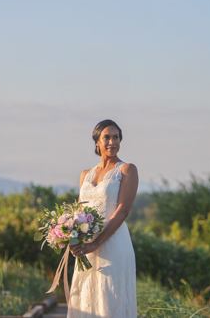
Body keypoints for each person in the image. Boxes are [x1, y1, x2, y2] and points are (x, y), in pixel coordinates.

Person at [68, 119, 139, 318]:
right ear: (97, 141)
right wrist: (72, 238)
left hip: (114, 243)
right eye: (106, 137)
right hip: (87, 246)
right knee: (86, 299)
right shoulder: (85, 175)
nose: (112, 142)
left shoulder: (127, 170)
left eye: (116, 137)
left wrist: (97, 243)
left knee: (111, 298)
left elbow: (122, 211)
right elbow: (79, 212)